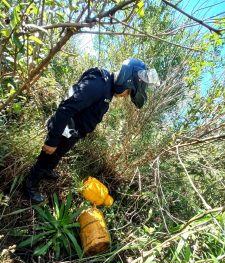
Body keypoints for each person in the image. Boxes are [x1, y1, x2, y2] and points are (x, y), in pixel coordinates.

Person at [25, 58, 160, 203]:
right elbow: (66, 107)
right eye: (129, 91)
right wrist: (52, 140)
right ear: (126, 80)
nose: (126, 96)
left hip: (73, 133)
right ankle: (30, 184)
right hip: (63, 129)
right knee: (47, 156)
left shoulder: (108, 89)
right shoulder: (99, 84)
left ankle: (47, 170)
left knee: (57, 155)